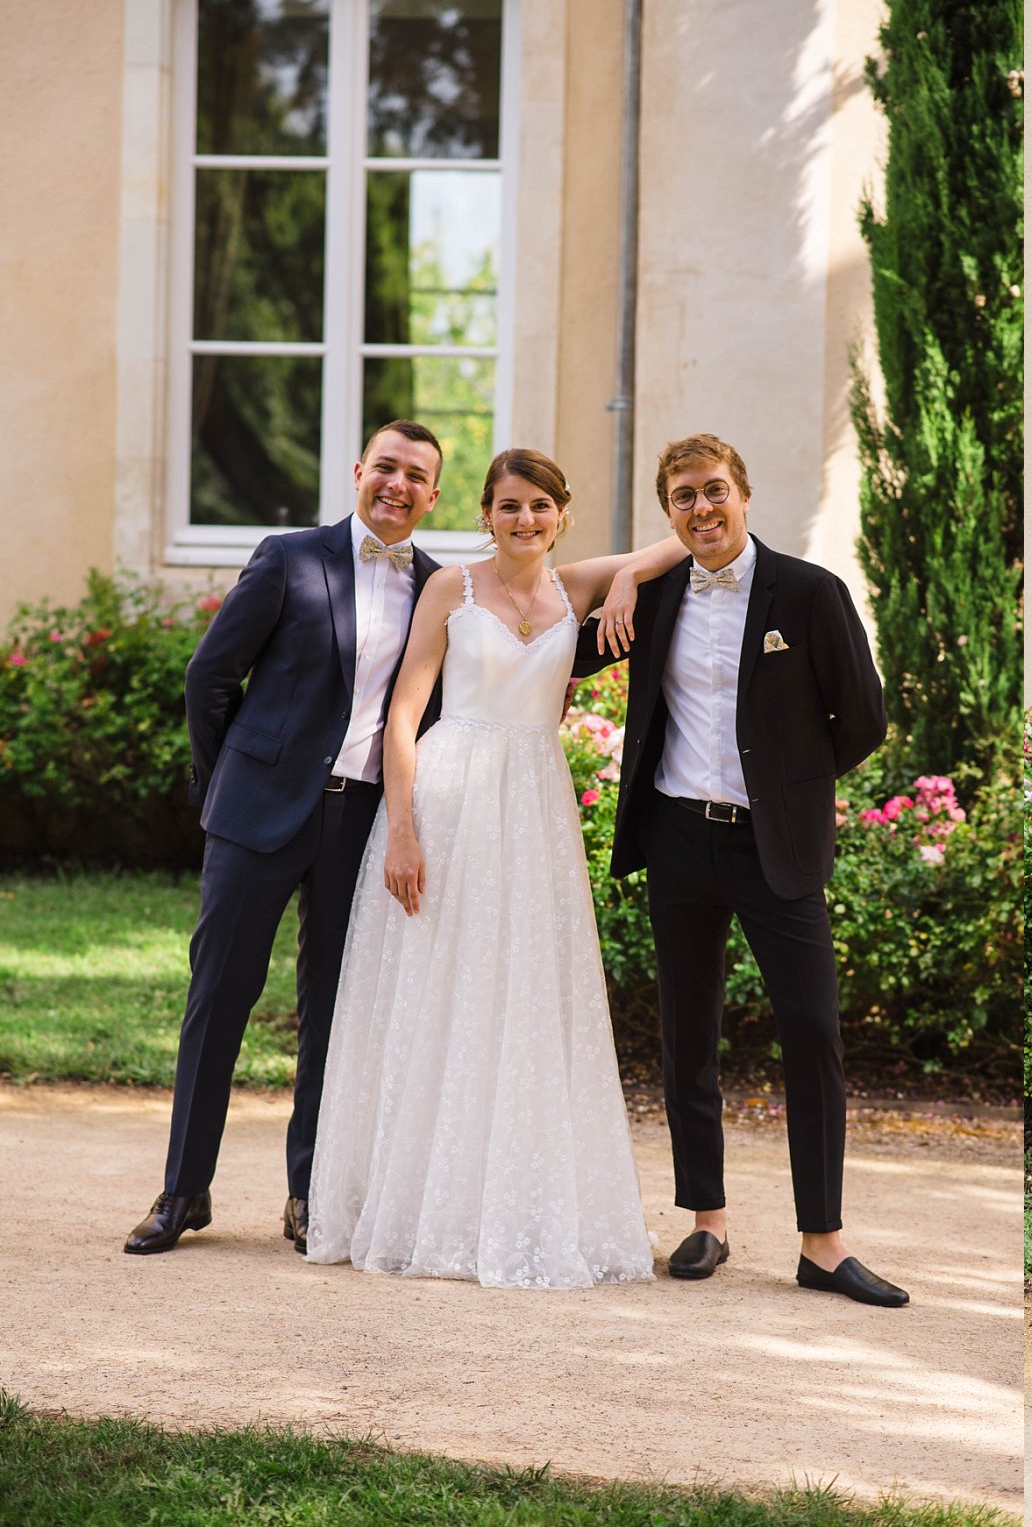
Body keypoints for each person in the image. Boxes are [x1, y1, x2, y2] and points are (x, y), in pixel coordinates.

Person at [305, 448, 684, 1288]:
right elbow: (404, 716)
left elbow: (682, 542)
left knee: (521, 995)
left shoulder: (576, 588)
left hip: (533, 807)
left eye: (541, 507)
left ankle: (504, 1198)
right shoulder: (454, 589)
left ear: (562, 515)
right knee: (439, 989)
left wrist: (624, 584)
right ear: (484, 514)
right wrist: (401, 830)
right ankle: (417, 1201)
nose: (525, 521)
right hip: (448, 796)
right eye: (509, 507)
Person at [580, 433, 903, 1306]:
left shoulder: (808, 592)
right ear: (668, 513)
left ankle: (823, 1244)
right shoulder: (651, 600)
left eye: (714, 491)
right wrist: (623, 576)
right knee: (689, 1036)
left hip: (777, 847)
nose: (702, 509)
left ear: (745, 495)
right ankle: (705, 1221)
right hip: (679, 840)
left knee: (814, 1033)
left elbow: (864, 719)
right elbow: (549, 630)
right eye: (683, 498)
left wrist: (790, 785)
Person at [126, 421, 447, 1257]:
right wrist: (224, 784)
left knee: (333, 1016)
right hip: (256, 818)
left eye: (416, 476)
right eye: (386, 468)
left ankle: (309, 1194)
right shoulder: (289, 557)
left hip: (362, 825)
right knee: (219, 1000)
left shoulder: (443, 589)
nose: (398, 485)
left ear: (434, 496)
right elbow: (210, 675)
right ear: (358, 472)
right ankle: (183, 1191)